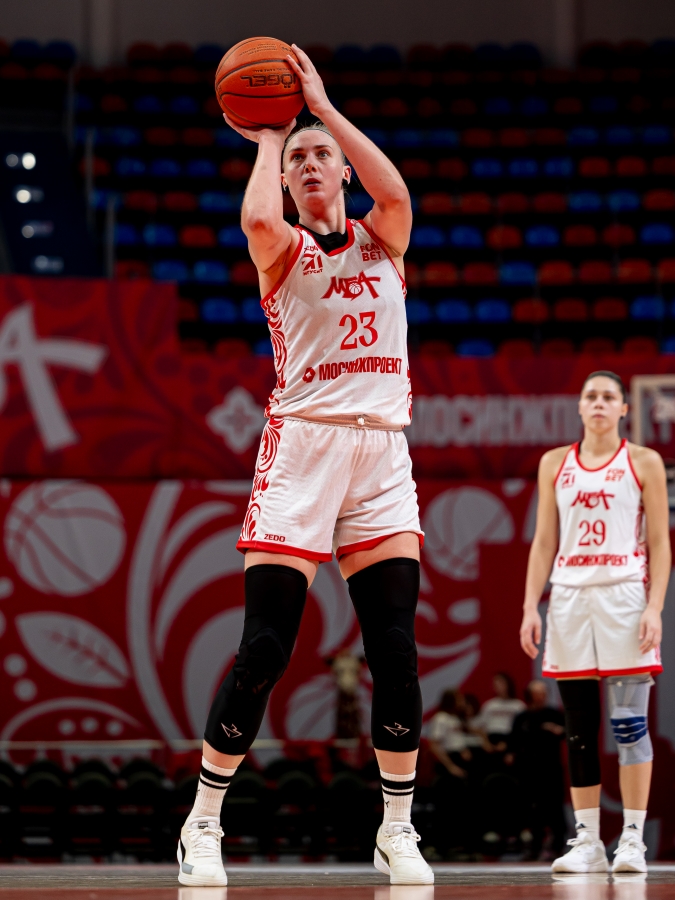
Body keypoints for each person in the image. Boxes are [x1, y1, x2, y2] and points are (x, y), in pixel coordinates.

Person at [177, 44, 433, 887]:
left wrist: (320, 112)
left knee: (394, 649)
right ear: (287, 184)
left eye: (322, 156)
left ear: (343, 170)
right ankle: (203, 822)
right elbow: (255, 222)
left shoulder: (383, 237)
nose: (314, 164)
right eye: (300, 162)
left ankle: (397, 828)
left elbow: (396, 192)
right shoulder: (282, 248)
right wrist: (268, 136)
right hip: (302, 450)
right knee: (264, 647)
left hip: (380, 456)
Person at [520, 371, 669, 875]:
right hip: (569, 599)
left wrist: (654, 607)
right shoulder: (555, 463)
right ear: (580, 407)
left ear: (624, 408)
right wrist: (530, 605)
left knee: (629, 725)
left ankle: (632, 840)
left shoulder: (643, 461)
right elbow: (544, 540)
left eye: (609, 397)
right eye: (591, 396)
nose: (599, 403)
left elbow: (661, 543)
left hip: (625, 596)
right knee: (579, 729)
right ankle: (587, 841)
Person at [508, 680, 566, 860]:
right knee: (531, 808)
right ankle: (533, 847)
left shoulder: (554, 714)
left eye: (543, 692)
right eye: (537, 692)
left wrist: (557, 730)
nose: (542, 696)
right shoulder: (522, 717)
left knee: (554, 807)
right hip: (529, 769)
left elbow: (567, 732)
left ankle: (557, 846)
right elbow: (513, 740)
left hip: (550, 768)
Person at [474, 672, 526, 752]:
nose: (498, 686)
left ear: (508, 684)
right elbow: (479, 726)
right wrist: (485, 742)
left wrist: (509, 744)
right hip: (491, 740)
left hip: (510, 740)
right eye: (496, 684)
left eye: (501, 683)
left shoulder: (518, 705)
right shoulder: (489, 705)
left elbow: (522, 729)